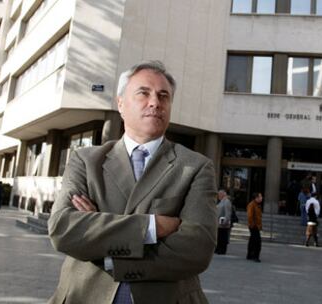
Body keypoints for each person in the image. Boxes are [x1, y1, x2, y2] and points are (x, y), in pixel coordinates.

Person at [47, 61, 218, 304]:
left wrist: (106, 250)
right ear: (120, 104)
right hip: (83, 295)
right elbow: (63, 229)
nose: (155, 102)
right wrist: (152, 227)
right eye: (143, 93)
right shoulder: (85, 160)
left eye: (163, 96)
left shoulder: (195, 167)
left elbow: (197, 249)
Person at [246, 192, 263, 262]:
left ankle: (250, 255)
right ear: (256, 198)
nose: (261, 198)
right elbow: (250, 216)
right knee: (257, 242)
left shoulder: (257, 205)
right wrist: (253, 225)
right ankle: (255, 256)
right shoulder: (252, 205)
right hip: (254, 226)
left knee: (252, 241)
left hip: (256, 225)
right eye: (260, 196)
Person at [215, 189, 232, 255]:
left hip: (223, 224)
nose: (218, 196)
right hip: (219, 223)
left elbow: (228, 213)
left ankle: (222, 250)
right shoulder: (221, 201)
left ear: (223, 194)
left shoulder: (227, 201)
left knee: (222, 237)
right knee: (219, 237)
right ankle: (218, 249)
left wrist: (225, 222)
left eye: (220, 194)